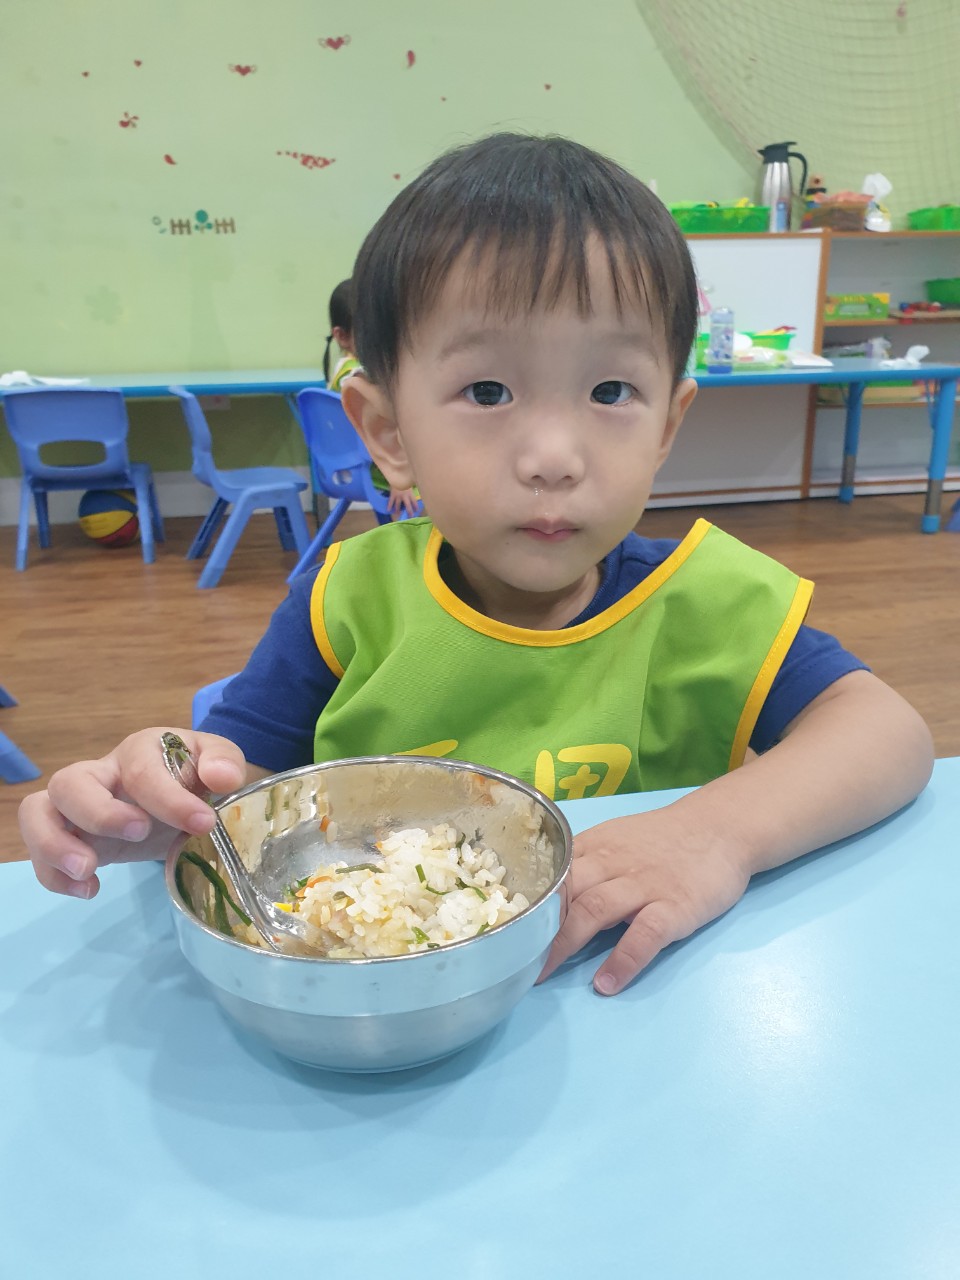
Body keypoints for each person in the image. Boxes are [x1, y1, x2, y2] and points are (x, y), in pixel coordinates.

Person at [19, 132, 933, 998]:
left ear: (668, 425)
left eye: (611, 390)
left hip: (646, 1002)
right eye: (487, 390)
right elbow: (242, 800)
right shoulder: (351, 603)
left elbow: (890, 735)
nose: (553, 455)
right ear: (386, 431)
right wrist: (153, 805)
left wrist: (714, 834)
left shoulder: (712, 602)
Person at [324, 277, 419, 519]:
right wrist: (399, 482)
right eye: (371, 331)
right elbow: (383, 428)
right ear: (342, 337)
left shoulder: (342, 369)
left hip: (348, 471)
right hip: (380, 473)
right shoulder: (358, 377)